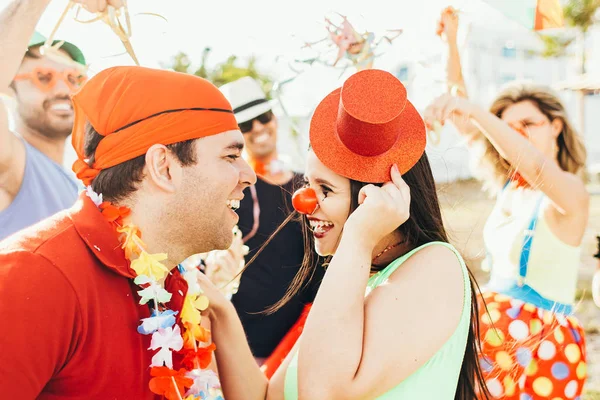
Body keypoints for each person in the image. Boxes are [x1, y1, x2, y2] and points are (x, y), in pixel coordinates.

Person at [195, 69, 489, 399]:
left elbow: (322, 392)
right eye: (308, 184)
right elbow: (264, 398)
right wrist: (220, 311)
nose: (303, 203)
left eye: (326, 189)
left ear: (374, 196)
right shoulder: (352, 281)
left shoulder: (435, 265)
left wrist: (358, 237)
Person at [0, 65, 256, 399]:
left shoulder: (177, 285)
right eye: (231, 155)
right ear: (163, 167)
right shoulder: (35, 273)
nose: (248, 175)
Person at [425, 8, 589, 399]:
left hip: (543, 347)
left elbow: (533, 164)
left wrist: (479, 112)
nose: (516, 135)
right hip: (494, 333)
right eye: (508, 127)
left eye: (527, 124)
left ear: (556, 126)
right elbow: (464, 115)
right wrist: (452, 43)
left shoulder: (571, 192)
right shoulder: (510, 188)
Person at [218, 77, 323, 369]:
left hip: (305, 340)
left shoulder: (309, 183)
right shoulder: (234, 193)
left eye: (262, 118)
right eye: (247, 125)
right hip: (250, 346)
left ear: (274, 119)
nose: (258, 129)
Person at [0, 0, 92, 240]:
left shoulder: (81, 188)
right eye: (44, 77)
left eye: (73, 78)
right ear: (10, 85)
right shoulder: (11, 163)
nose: (64, 90)